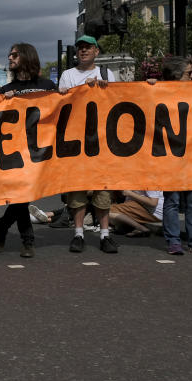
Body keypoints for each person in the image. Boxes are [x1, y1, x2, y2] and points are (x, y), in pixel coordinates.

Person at [145, 56, 192, 255]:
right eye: (188, 73)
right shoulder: (160, 91)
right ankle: (174, 241)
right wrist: (150, 87)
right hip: (169, 154)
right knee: (172, 199)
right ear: (176, 75)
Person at [0, 43, 57, 258]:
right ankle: (27, 239)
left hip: (40, 150)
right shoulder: (6, 90)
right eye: (9, 54)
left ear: (26, 57)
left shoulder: (47, 85)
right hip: (16, 150)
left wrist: (64, 94)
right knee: (22, 194)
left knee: (24, 195)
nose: (10, 57)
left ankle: (3, 224)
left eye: (14, 54)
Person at [58, 35, 118, 254]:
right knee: (78, 190)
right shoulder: (67, 75)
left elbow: (118, 100)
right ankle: (78, 233)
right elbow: (63, 104)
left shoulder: (106, 74)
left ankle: (104, 235)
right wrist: (75, 91)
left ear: (96, 52)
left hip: (101, 139)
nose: (83, 51)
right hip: (76, 140)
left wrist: (104, 89)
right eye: (80, 48)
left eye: (88, 48)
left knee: (103, 188)